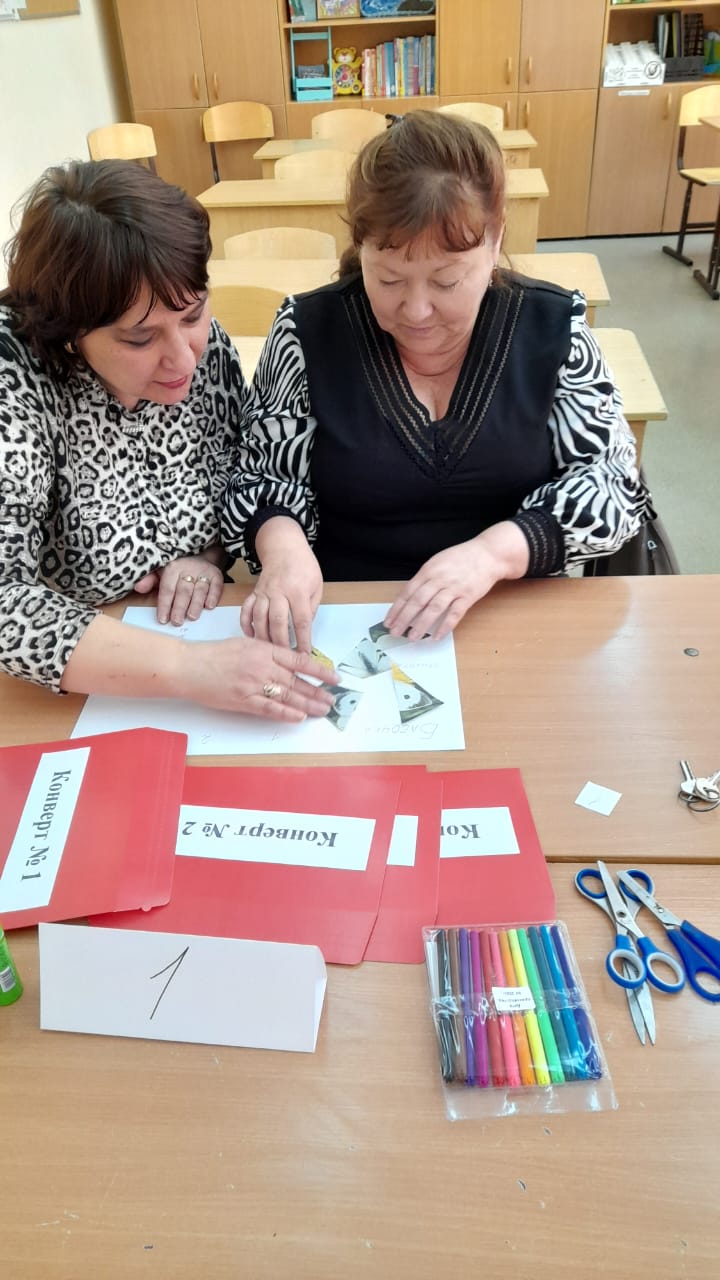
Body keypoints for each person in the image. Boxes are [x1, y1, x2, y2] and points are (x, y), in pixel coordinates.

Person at [222, 110, 652, 652]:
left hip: (512, 610)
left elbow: (612, 486)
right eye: (388, 279)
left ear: (495, 241)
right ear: (360, 247)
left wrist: (493, 554)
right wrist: (283, 551)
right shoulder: (307, 332)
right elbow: (261, 478)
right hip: (346, 619)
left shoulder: (552, 328)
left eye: (447, 281)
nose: (417, 310)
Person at [0, 159, 335, 721]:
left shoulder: (199, 342)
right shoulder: (13, 379)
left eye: (194, 314)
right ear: (68, 332)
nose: (183, 359)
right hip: (69, 694)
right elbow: (6, 602)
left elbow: (240, 472)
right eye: (139, 339)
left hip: (190, 640)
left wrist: (208, 556)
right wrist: (188, 668)